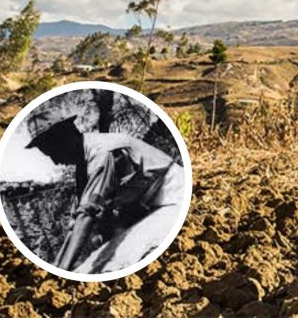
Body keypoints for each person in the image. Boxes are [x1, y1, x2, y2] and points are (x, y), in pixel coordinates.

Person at [25, 114, 184, 272]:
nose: (55, 161)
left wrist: (62, 271)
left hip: (175, 196)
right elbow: (75, 225)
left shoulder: (101, 153)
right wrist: (56, 268)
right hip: (151, 204)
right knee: (94, 263)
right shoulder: (84, 164)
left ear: (65, 137)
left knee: (113, 263)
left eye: (53, 152)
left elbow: (87, 216)